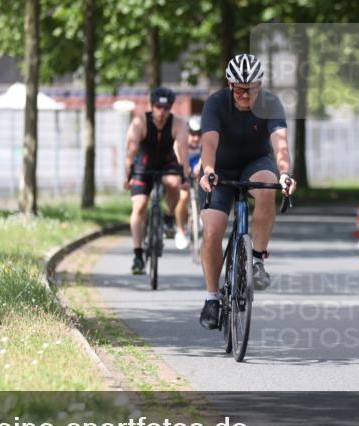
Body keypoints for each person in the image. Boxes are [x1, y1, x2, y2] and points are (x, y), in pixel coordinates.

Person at [197, 54, 296, 330]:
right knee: (212, 231)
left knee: (267, 187)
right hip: (220, 169)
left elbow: (280, 143)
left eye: (250, 89)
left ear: (259, 86)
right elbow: (209, 142)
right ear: (230, 85)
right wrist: (208, 170)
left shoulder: (270, 103)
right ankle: (212, 298)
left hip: (255, 163)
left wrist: (285, 173)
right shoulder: (216, 103)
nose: (244, 95)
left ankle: (257, 259)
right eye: (239, 89)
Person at [124, 86, 190, 275]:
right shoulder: (140, 121)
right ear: (151, 106)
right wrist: (127, 176)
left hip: (168, 163)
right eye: (158, 107)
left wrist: (184, 176)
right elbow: (131, 150)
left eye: (166, 108)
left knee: (174, 183)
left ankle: (169, 217)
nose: (162, 112)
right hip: (143, 166)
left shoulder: (178, 123)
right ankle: (138, 255)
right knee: (139, 207)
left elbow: (183, 152)